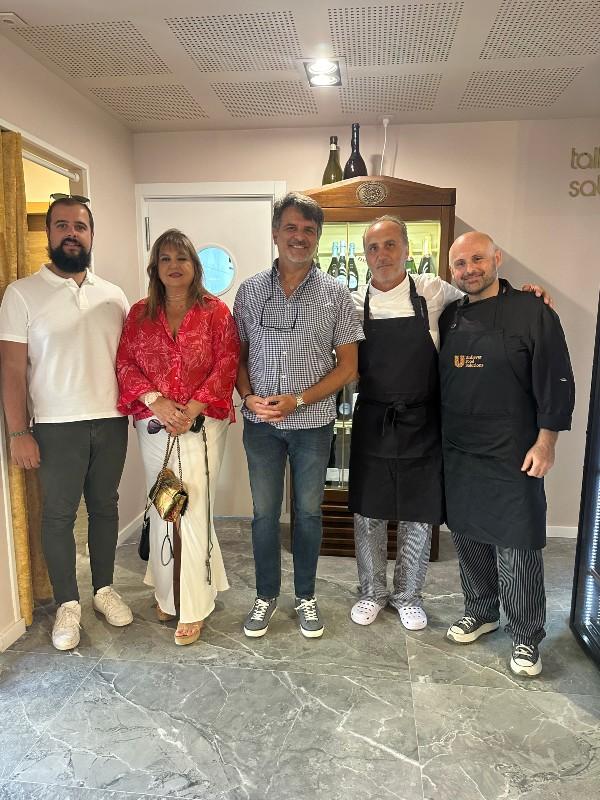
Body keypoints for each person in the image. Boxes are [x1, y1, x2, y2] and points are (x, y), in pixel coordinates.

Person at [0, 195, 132, 651]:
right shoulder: (21, 294)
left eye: (80, 226)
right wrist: (19, 432)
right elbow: (12, 371)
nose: (71, 233)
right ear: (49, 233)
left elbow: (129, 362)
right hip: (56, 425)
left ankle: (104, 589)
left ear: (92, 235)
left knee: (105, 507)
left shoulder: (114, 295)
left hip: (112, 420)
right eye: (62, 225)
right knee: (58, 515)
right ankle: (68, 604)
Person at [439, 231, 574, 677]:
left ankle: (526, 635)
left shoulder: (533, 311)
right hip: (460, 449)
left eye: (477, 259)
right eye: (460, 264)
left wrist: (546, 440)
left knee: (517, 543)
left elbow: (556, 379)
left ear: (497, 258)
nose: (469, 270)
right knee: (468, 535)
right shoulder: (450, 315)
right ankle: (481, 611)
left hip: (514, 450)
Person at [233, 192, 364, 639]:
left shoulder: (336, 294)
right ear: (275, 233)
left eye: (309, 230)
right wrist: (248, 396)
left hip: (313, 426)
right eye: (291, 227)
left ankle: (305, 595)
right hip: (261, 427)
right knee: (264, 515)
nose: (299, 237)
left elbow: (348, 367)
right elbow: (237, 357)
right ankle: (266, 595)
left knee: (308, 513)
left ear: (318, 238)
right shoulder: (250, 290)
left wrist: (299, 400)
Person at [117, 229, 239, 646]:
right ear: (155, 267)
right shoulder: (139, 314)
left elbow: (226, 364)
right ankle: (167, 591)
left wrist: (191, 410)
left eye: (181, 258)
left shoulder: (216, 312)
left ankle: (193, 604)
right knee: (164, 506)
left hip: (202, 425)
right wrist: (158, 403)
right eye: (165, 258)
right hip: (154, 425)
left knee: (194, 508)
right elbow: (126, 365)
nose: (174, 266)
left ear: (194, 266)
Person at [348, 216, 464, 630]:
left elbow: (481, 298)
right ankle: (371, 592)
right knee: (369, 513)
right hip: (373, 418)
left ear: (407, 249)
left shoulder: (432, 290)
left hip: (422, 419)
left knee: (418, 513)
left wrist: (524, 294)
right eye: (373, 248)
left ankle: (409, 596)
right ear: (365, 256)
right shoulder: (354, 302)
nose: (382, 255)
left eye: (390, 244)